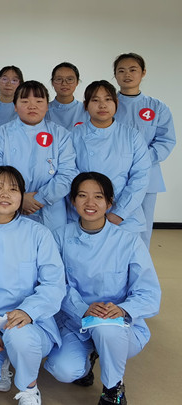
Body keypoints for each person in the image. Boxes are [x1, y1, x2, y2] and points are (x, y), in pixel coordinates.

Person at [44, 172, 161, 405]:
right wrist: (82, 309)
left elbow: (148, 291)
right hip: (75, 321)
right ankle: (90, 357)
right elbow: (54, 284)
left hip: (118, 326)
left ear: (109, 203)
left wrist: (123, 309)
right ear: (73, 201)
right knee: (63, 369)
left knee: (105, 327)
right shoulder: (58, 238)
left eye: (98, 197)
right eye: (82, 196)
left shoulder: (128, 241)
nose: (90, 203)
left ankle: (113, 390)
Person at [0, 166, 65, 405]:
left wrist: (27, 311)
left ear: (21, 196)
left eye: (13, 189)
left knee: (18, 335)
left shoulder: (39, 234)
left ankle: (29, 389)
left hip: (31, 323)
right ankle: (5, 360)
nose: (5, 194)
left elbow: (54, 283)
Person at [0, 81, 77, 232]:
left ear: (47, 106)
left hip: (51, 208)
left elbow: (68, 174)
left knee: (51, 244)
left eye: (39, 101)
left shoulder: (60, 134)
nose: (32, 106)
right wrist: (20, 198)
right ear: (15, 106)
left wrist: (39, 198)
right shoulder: (0, 135)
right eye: (25, 101)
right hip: (9, 205)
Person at [70, 80, 151, 237]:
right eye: (95, 100)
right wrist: (86, 211)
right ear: (86, 105)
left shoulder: (132, 136)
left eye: (108, 99)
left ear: (116, 103)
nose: (102, 105)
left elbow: (141, 177)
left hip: (125, 216)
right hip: (84, 214)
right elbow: (69, 175)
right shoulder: (74, 136)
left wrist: (120, 213)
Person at [112, 53, 176, 246]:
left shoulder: (157, 107)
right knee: (112, 225)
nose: (127, 75)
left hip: (147, 176)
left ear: (143, 73)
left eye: (133, 70)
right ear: (115, 75)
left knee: (143, 228)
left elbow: (165, 141)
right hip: (112, 175)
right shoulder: (107, 105)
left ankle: (140, 262)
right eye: (121, 70)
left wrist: (140, 159)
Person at [46, 62, 88, 130]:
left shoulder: (86, 110)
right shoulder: (43, 110)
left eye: (70, 79)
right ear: (52, 82)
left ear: (77, 82)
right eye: (59, 79)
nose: (64, 83)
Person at [0, 65, 23, 129]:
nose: (8, 84)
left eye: (14, 80)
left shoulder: (23, 108)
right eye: (4, 79)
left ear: (20, 85)